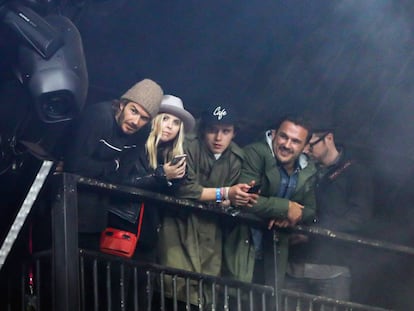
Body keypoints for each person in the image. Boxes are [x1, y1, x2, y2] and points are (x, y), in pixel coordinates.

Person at [157, 104, 253, 309]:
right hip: (179, 226)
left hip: (211, 233)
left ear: (234, 133)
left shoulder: (236, 158)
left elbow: (234, 200)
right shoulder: (187, 145)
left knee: (204, 293)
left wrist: (233, 198)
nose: (219, 138)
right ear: (203, 130)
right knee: (175, 289)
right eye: (213, 130)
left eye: (226, 131)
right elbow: (184, 189)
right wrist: (225, 193)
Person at [63, 78, 164, 241]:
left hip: (97, 214)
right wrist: (112, 165)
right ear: (122, 104)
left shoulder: (142, 131)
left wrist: (104, 169)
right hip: (65, 204)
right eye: (134, 111)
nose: (136, 121)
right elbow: (73, 164)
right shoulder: (100, 116)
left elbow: (120, 176)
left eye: (144, 118)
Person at [285, 120, 373, 302]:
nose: (306, 150)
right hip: (295, 265)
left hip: (332, 268)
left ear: (329, 138)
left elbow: (358, 218)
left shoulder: (355, 173)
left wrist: (313, 231)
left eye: (310, 144)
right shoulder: (302, 168)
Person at [237, 114, 317, 295]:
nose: (287, 145)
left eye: (295, 141)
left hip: (274, 253)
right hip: (243, 244)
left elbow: (311, 210)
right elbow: (243, 199)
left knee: (265, 302)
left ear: (305, 147)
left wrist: (293, 217)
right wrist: (286, 208)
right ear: (273, 134)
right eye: (283, 136)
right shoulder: (256, 153)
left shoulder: (307, 170)